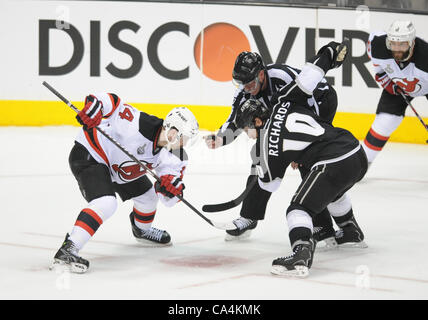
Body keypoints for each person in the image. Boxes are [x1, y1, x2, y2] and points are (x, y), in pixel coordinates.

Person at [233, 41, 367, 277]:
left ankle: (301, 252)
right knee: (330, 188)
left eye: (246, 129)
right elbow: (309, 77)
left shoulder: (266, 144)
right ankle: (349, 230)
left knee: (298, 209)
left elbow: (269, 183)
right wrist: (328, 54)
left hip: (332, 160)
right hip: (355, 151)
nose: (246, 134)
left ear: (255, 122)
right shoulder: (284, 99)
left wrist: (264, 163)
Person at [50, 93, 199, 273]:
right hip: (91, 155)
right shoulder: (138, 124)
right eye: (184, 138)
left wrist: (170, 190)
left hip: (121, 170)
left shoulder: (177, 156)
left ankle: (141, 230)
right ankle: (69, 248)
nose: (185, 143)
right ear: (173, 131)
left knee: (149, 198)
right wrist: (95, 107)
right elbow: (112, 102)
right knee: (106, 202)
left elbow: (168, 201)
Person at [203, 51, 339, 248]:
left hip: (320, 104)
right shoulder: (245, 89)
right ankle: (249, 217)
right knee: (261, 159)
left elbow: (310, 106)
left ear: (260, 74)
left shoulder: (282, 78)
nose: (246, 90)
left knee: (308, 164)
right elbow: (236, 119)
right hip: (283, 120)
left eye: (249, 84)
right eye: (241, 85)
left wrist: (302, 147)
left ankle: (323, 226)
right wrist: (221, 139)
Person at [363, 20, 428, 166]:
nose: (397, 49)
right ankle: (361, 163)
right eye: (393, 43)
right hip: (399, 85)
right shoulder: (378, 46)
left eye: (402, 44)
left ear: (412, 43)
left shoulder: (425, 58)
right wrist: (388, 83)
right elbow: (380, 69)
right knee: (386, 121)